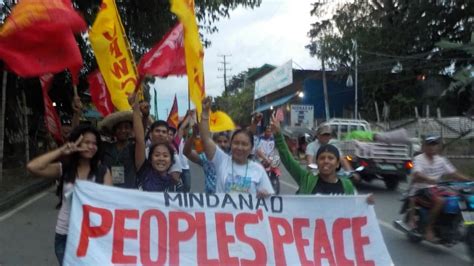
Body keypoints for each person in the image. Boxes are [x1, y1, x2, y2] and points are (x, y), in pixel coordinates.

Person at [26, 124, 112, 265]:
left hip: (92, 236)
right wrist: (62, 150)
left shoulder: (103, 172)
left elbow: (109, 205)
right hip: (65, 235)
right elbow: (32, 167)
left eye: (94, 143)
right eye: (87, 142)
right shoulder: (64, 169)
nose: (91, 146)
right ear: (76, 142)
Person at [199, 97, 274, 196]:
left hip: (248, 212)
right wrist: (204, 113)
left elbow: (270, 201)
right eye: (236, 143)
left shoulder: (258, 169)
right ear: (231, 144)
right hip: (222, 211)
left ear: (251, 148)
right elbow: (206, 139)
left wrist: (265, 195)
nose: (239, 147)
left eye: (244, 144)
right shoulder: (222, 160)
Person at [270, 113, 357, 195]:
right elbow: (288, 159)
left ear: (337, 164)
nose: (326, 161)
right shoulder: (307, 179)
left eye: (330, 158)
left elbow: (354, 208)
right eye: (322, 158)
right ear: (317, 162)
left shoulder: (347, 185)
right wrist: (278, 134)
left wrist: (367, 201)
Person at [409, 135, 471, 242]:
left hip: (437, 188)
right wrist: (429, 179)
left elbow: (454, 173)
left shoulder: (441, 160)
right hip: (421, 188)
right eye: (429, 145)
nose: (432, 147)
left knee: (459, 198)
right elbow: (417, 174)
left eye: (434, 145)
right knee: (440, 201)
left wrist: (469, 179)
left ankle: (453, 224)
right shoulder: (419, 159)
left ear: (438, 147)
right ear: (424, 147)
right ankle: (429, 229)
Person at [132, 96, 183, 190]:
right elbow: (140, 140)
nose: (161, 158)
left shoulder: (173, 183)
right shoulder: (144, 172)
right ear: (150, 158)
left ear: (172, 160)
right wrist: (135, 108)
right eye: (157, 155)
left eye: (165, 155)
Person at [183, 124, 230, 193]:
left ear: (229, 143)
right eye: (219, 141)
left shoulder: (233, 159)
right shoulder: (206, 157)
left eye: (225, 142)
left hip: (229, 200)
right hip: (210, 201)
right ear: (213, 143)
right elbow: (187, 152)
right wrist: (193, 135)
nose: (222, 144)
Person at [99, 111, 136, 188]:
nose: (123, 130)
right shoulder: (105, 147)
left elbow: (141, 139)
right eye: (119, 128)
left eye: (126, 127)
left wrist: (144, 117)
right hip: (107, 192)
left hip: (127, 194)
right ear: (114, 131)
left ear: (131, 130)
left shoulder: (134, 148)